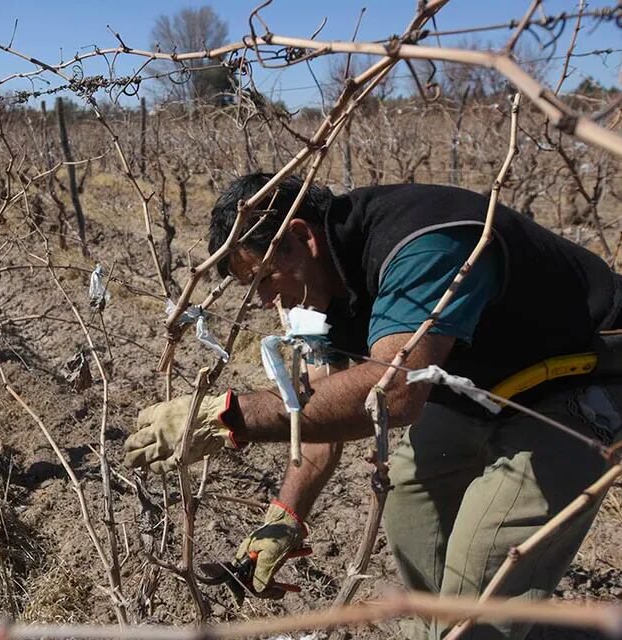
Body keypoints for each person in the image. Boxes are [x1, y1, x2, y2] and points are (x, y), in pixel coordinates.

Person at [123, 173, 622, 640]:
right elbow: (318, 416)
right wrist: (285, 516)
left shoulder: (423, 245)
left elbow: (396, 392)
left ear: (301, 237)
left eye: (264, 278)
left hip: (579, 379)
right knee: (410, 499)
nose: (262, 300)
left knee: (486, 569)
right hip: (480, 385)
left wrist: (228, 416)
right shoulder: (320, 287)